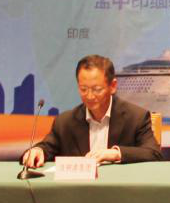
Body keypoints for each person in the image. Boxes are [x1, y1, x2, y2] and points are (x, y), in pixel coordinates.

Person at [20, 54, 162, 167]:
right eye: (83, 89)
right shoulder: (65, 122)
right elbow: (46, 148)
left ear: (112, 86)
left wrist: (115, 153)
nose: (89, 96)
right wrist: (37, 151)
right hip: (78, 191)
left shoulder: (136, 117)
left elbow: (153, 153)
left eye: (97, 89)